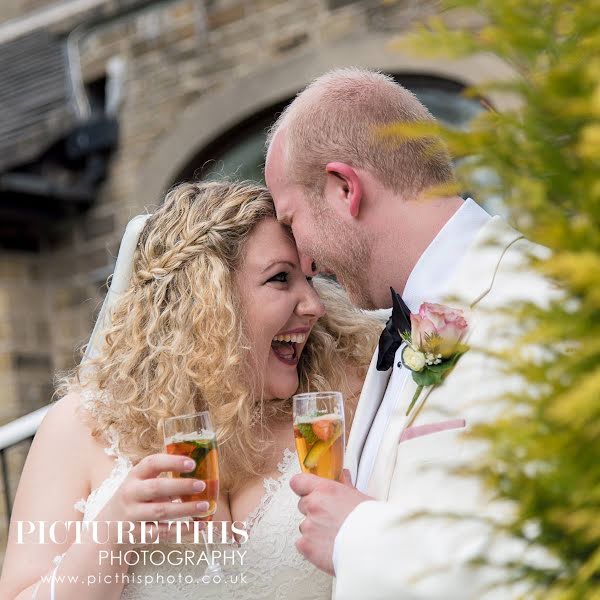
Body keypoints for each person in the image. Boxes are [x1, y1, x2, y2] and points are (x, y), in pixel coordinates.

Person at [0, 180, 381, 600]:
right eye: (280, 279)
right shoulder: (81, 426)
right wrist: (113, 532)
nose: (314, 304)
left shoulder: (342, 402)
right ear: (207, 299)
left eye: (310, 278)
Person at [265, 68, 554, 599]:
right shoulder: (392, 336)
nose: (304, 258)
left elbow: (559, 551)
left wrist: (355, 537)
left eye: (293, 221)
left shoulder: (539, 298)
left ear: (344, 188)